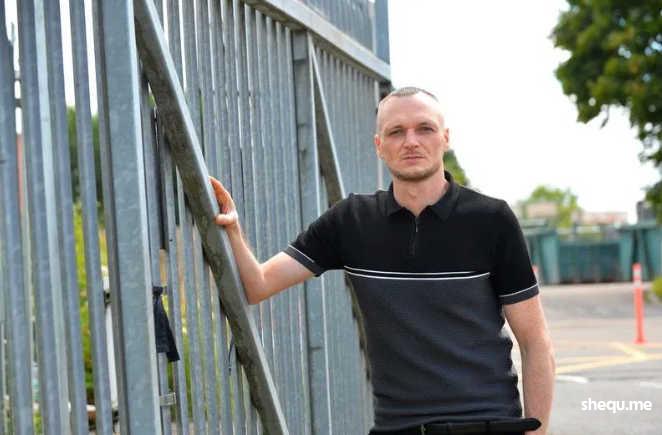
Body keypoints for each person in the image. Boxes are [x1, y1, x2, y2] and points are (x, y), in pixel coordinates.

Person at [210, 86, 555, 435]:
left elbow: (535, 341)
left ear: (445, 138)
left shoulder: (491, 220)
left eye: (425, 128)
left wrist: (537, 432)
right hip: (398, 427)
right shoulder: (351, 221)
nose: (411, 141)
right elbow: (258, 285)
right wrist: (233, 230)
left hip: (488, 424)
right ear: (379, 145)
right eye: (396, 132)